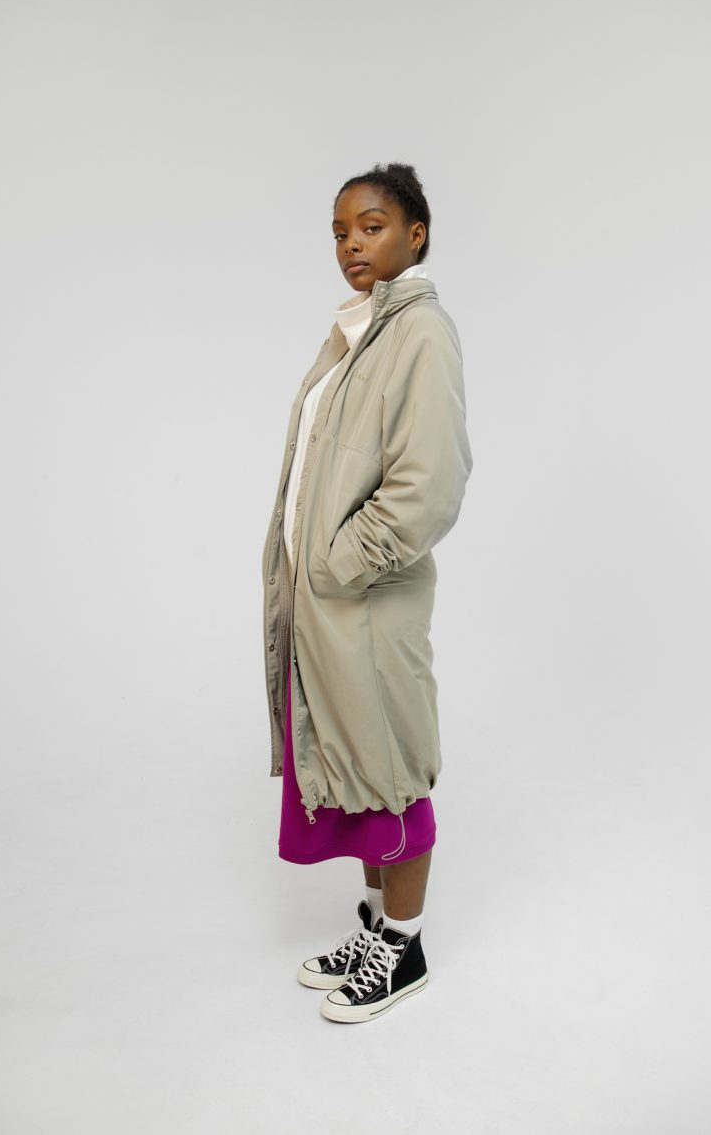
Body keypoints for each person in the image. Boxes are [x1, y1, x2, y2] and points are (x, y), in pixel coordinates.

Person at [261, 162, 472, 1023]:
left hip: (370, 605)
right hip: (330, 608)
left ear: (416, 235)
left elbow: (430, 485)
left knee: (391, 772)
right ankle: (378, 926)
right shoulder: (358, 333)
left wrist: (339, 564)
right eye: (341, 231)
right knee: (352, 769)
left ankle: (405, 947)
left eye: (372, 226)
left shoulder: (421, 333)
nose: (352, 243)